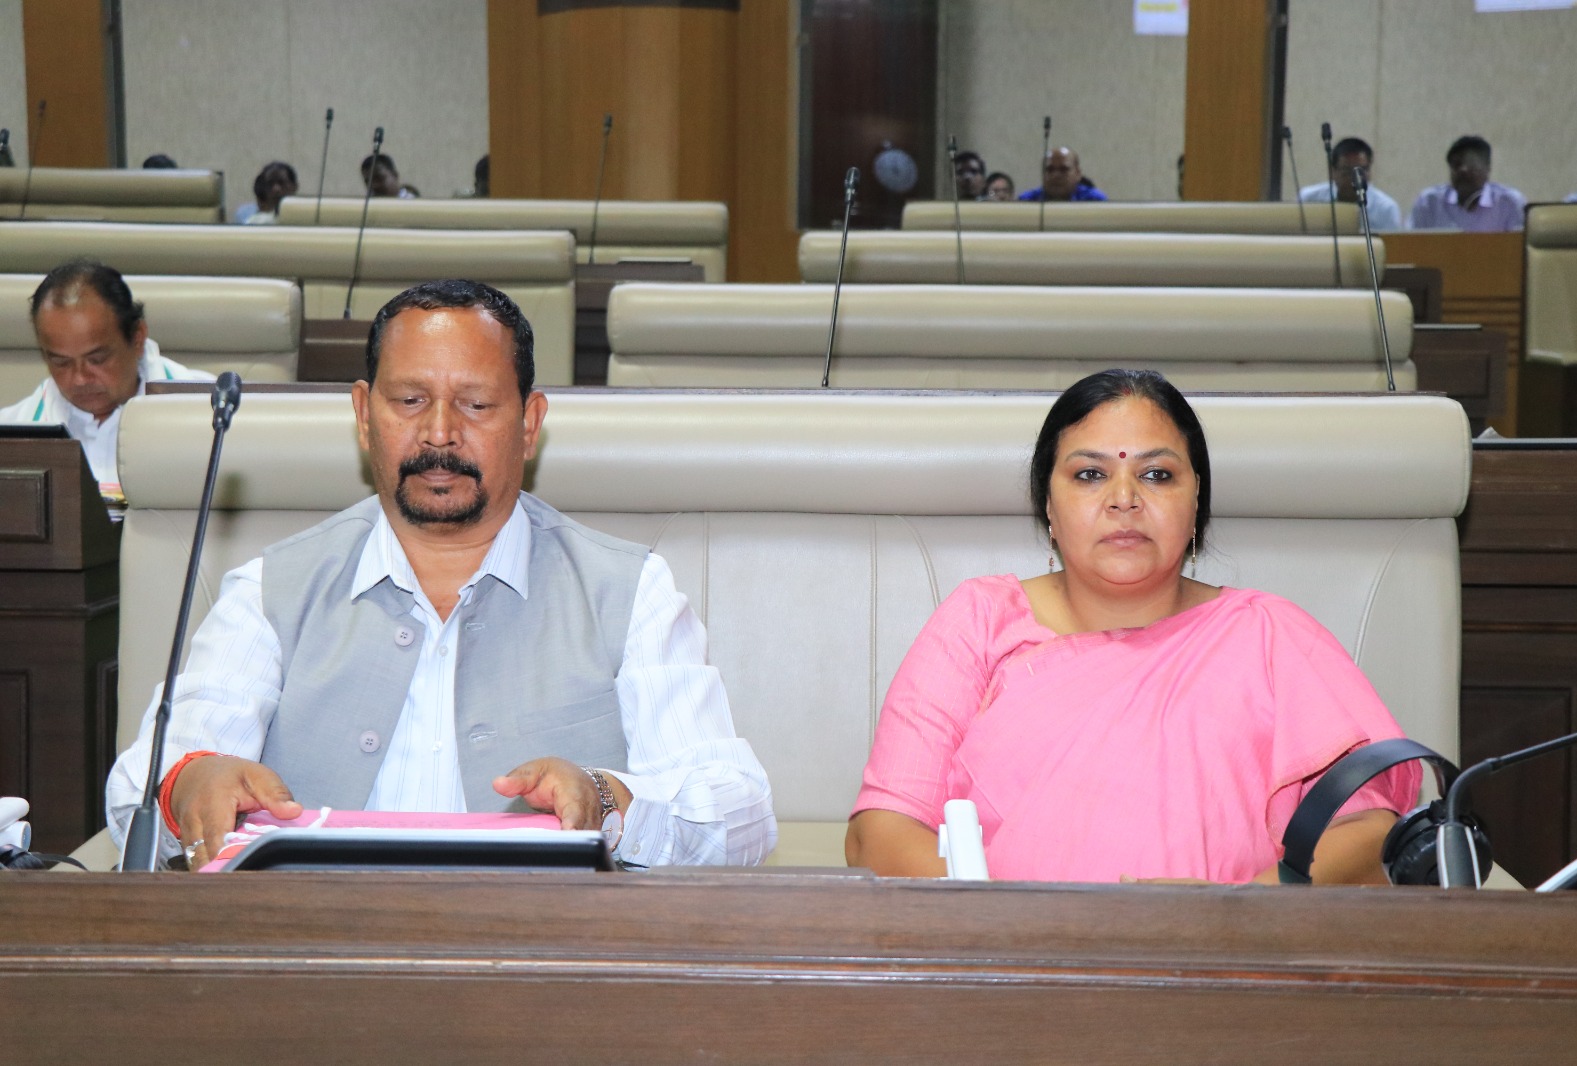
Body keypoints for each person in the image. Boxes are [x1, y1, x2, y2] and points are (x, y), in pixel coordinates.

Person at [105, 279, 777, 871]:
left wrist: (608, 799)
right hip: (320, 948)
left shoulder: (630, 593)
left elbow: (740, 814)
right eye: (409, 400)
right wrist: (188, 784)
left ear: (530, 423)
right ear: (363, 415)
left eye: (476, 405)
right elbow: (142, 780)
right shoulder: (270, 590)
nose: (439, 434)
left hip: (543, 953)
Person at [845, 369, 1419, 884]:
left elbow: (1369, 827)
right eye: (1090, 473)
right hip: (1001, 955)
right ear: (1048, 506)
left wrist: (1236, 917)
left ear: (1196, 501)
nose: (1124, 498)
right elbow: (881, 832)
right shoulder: (980, 622)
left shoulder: (1271, 635)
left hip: (1232, 958)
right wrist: (1012, 931)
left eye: (1157, 474)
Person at [0, 260, 210, 488]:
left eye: (97, 360)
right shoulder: (10, 437)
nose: (80, 379)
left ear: (137, 338)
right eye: (61, 362)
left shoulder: (213, 417)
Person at [1408, 135, 1526, 232]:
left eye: (1471, 164)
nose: (1463, 170)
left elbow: (1522, 250)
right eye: (1457, 164)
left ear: (1488, 168)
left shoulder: (1510, 203)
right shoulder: (1429, 203)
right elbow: (1411, 246)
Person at [1297, 136, 1402, 232]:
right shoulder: (1309, 199)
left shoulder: (1386, 209)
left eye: (1362, 171)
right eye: (1348, 171)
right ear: (1332, 172)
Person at [1018, 147, 1107, 202]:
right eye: (1050, 170)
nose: (1056, 175)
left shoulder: (1094, 200)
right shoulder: (1027, 200)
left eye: (1063, 170)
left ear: (1078, 174)